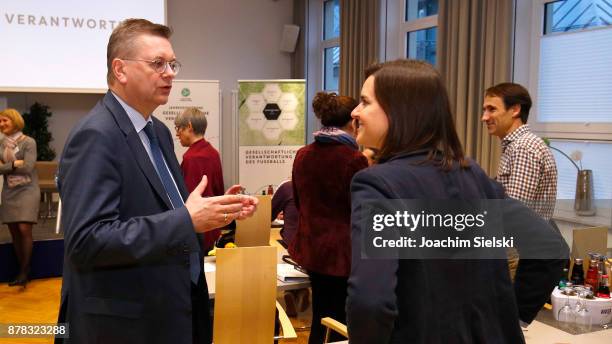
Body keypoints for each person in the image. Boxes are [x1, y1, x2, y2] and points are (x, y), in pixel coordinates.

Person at [56, 19, 257, 344]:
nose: (170, 73)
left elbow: (170, 211)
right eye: (158, 63)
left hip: (175, 307)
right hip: (127, 322)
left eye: (173, 63)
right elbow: (87, 241)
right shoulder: (96, 135)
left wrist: (212, 211)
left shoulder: (159, 132)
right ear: (120, 70)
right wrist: (186, 219)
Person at [347, 59, 568, 343]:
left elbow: (370, 301)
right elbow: (549, 247)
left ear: (398, 111)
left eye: (365, 102)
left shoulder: (378, 184)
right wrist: (511, 316)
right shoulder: (472, 174)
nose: (355, 111)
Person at [291, 92, 368, 344]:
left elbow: (299, 202)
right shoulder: (354, 159)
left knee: (321, 317)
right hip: (342, 256)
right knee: (340, 323)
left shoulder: (303, 154)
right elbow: (362, 211)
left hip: (311, 251)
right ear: (351, 123)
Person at [482, 82, 557, 220]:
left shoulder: (523, 148)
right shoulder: (518, 145)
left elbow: (514, 215)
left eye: (492, 109)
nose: (484, 117)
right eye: (484, 110)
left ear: (515, 110)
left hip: (522, 241)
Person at [0, 108, 40, 288]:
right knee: (14, 231)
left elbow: (29, 167)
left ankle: (24, 271)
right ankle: (22, 270)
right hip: (9, 191)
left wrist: (7, 165)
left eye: (5, 121)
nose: (1, 124)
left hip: (27, 190)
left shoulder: (28, 142)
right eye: (0, 121)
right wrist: (16, 163)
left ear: (15, 121)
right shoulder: (1, 144)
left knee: (24, 228)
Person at [175, 107, 225, 252]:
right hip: (213, 228)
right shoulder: (213, 153)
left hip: (197, 231)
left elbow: (188, 200)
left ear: (189, 126)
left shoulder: (192, 158)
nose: (177, 134)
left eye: (179, 128)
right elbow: (218, 190)